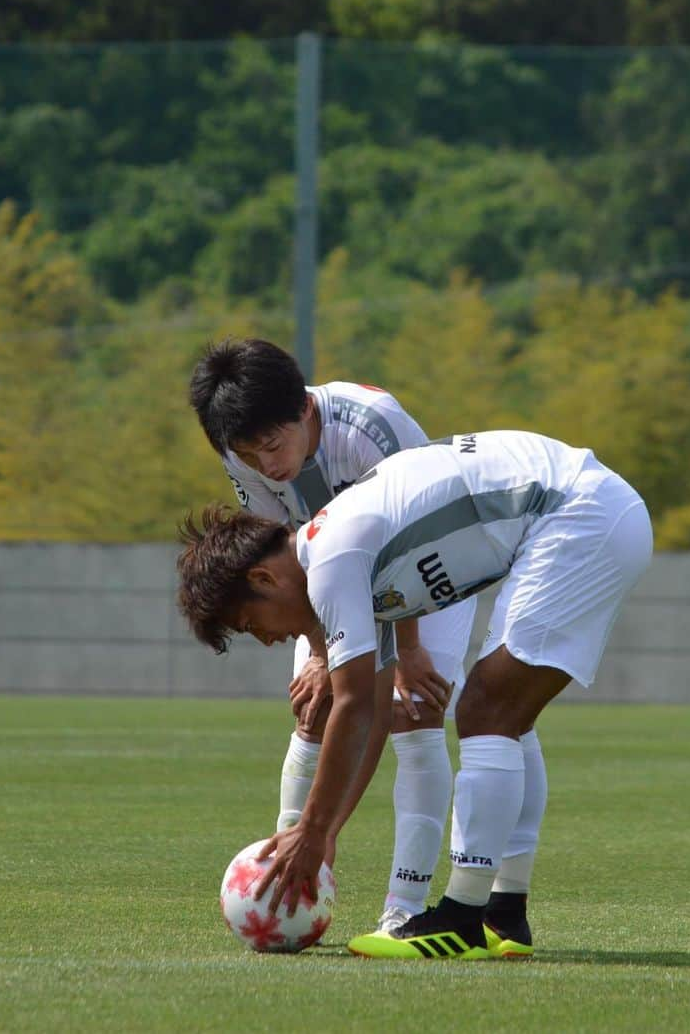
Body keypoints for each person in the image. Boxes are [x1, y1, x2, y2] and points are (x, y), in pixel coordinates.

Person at [177, 429, 652, 960]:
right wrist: (325, 832)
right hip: (591, 511)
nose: (268, 639)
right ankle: (504, 915)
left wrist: (312, 832)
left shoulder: (332, 561)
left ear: (264, 577)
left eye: (250, 623)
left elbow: (353, 704)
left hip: (578, 515)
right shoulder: (338, 561)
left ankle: (462, 918)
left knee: (486, 710)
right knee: (506, 717)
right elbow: (373, 713)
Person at [189, 338, 502, 935]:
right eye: (249, 456)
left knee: (412, 711)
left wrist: (408, 652)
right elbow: (275, 545)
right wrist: (321, 649)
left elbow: (412, 539)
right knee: (315, 706)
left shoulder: (374, 426)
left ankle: (404, 908)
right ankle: (287, 867)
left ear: (305, 411)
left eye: (274, 447)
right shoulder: (243, 450)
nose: (267, 466)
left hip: (428, 568)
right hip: (326, 567)